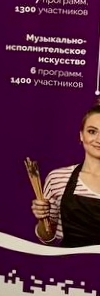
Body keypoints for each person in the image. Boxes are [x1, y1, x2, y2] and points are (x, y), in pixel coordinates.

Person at [32, 105, 100, 247]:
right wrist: (42, 218)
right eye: (92, 131)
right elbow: (48, 238)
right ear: (81, 135)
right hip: (69, 261)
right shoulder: (58, 178)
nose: (98, 139)